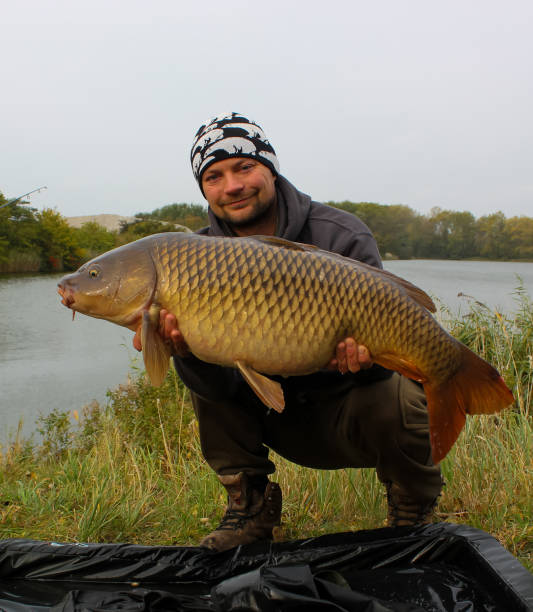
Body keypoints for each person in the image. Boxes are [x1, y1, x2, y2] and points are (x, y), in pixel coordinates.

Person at [134, 112, 443, 552]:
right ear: (204, 189)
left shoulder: (341, 235)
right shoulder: (189, 260)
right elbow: (215, 391)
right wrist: (184, 351)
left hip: (343, 411)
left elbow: (380, 366)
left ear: (270, 169)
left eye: (244, 167)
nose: (232, 186)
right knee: (201, 364)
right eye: (214, 176)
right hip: (270, 419)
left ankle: (412, 501)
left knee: (400, 392)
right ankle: (251, 508)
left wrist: (365, 361)